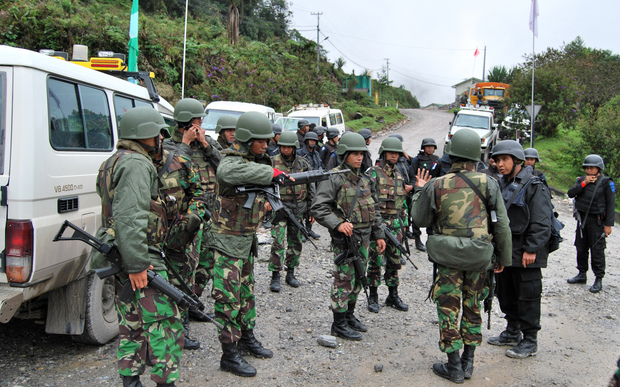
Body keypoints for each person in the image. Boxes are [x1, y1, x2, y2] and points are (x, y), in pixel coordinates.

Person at [410, 129, 512, 383]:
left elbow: (419, 219)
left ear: (451, 155)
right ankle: (468, 363)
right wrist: (502, 259)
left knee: (448, 307)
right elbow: (501, 226)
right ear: (476, 157)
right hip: (478, 258)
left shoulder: (436, 184)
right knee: (473, 305)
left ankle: (453, 365)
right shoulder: (489, 183)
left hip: (448, 259)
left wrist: (418, 191)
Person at [93, 106, 184, 387]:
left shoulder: (113, 161)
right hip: (140, 256)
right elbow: (130, 216)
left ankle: (130, 381)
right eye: (158, 133)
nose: (161, 139)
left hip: (124, 252)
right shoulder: (136, 164)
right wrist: (138, 264)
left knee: (131, 322)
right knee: (165, 322)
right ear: (147, 135)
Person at [203, 111, 277, 377]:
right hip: (226, 244)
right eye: (261, 141)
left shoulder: (252, 160)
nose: (266, 145)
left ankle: (247, 338)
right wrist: (272, 172)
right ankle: (229, 354)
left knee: (246, 294)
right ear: (247, 139)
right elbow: (226, 171)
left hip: (245, 241)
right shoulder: (231, 161)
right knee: (227, 299)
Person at [311, 132, 386, 341]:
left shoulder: (366, 179)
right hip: (345, 239)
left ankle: (350, 315)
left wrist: (379, 235)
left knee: (359, 279)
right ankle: (338, 323)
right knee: (343, 279)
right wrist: (338, 224)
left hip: (365, 237)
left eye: (361, 153)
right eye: (354, 153)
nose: (359, 157)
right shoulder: (334, 177)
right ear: (345, 154)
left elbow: (375, 209)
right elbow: (318, 207)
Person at [488, 140, 553, 360]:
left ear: (518, 161)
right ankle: (512, 332)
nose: (500, 164)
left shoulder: (534, 185)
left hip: (526, 252)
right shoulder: (502, 183)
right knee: (506, 294)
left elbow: (542, 221)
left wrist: (532, 248)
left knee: (528, 296)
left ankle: (530, 340)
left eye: (505, 159)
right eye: (497, 160)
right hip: (507, 252)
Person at [163, 98, 222, 316]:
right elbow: (171, 172)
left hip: (209, 214)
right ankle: (181, 316)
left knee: (206, 263)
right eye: (198, 120)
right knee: (185, 266)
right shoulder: (169, 146)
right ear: (187, 122)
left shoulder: (209, 143)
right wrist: (185, 145)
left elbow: (225, 167)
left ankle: (193, 302)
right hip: (184, 217)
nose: (201, 124)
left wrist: (206, 145)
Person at [157, 137, 209, 351]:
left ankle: (182, 329)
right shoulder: (138, 165)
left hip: (179, 231)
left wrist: (191, 217)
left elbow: (198, 193)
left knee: (184, 276)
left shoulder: (180, 161)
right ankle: (158, 335)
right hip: (152, 234)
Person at [366, 137, 412, 313]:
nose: (394, 156)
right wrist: (375, 227)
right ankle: (373, 295)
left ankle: (393, 295)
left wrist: (404, 224)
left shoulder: (399, 175)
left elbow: (402, 204)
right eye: (391, 152)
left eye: (397, 153)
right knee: (376, 261)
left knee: (394, 262)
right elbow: (368, 202)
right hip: (378, 226)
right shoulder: (373, 174)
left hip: (396, 226)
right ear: (384, 153)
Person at [268, 131, 316, 292]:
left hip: (298, 208)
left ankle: (291, 272)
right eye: (283, 146)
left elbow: (310, 186)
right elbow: (265, 183)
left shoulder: (302, 164)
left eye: (289, 147)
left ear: (294, 148)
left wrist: (311, 209)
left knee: (295, 241)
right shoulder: (272, 162)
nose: (286, 150)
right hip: (279, 207)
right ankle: (275, 274)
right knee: (277, 241)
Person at [566, 154, 615, 293]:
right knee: (581, 247)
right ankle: (582, 274)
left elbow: (611, 205)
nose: (588, 170)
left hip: (597, 222)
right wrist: (584, 183)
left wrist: (608, 225)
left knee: (597, 250)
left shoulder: (606, 183)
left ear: (598, 169)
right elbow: (571, 193)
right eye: (587, 168)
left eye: (591, 168)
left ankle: (598, 278)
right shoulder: (581, 180)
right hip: (582, 221)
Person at [410, 138, 441, 251]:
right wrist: (415, 187)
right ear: (423, 147)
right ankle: (417, 240)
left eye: (432, 147)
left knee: (432, 214)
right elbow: (412, 174)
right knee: (417, 214)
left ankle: (430, 239)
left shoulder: (437, 160)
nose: (430, 148)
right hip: (419, 188)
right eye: (428, 146)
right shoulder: (417, 160)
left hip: (433, 189)